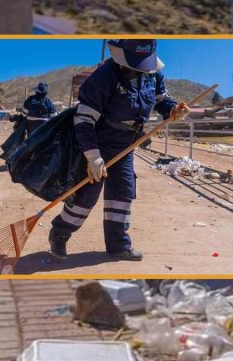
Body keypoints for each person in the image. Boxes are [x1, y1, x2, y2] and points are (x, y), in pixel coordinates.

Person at [48, 39, 189, 261]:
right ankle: (60, 233)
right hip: (98, 142)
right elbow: (84, 120)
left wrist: (173, 109)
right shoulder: (103, 77)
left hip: (126, 144)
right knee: (86, 196)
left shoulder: (152, 74)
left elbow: (162, 99)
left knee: (122, 194)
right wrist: (93, 156)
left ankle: (117, 245)